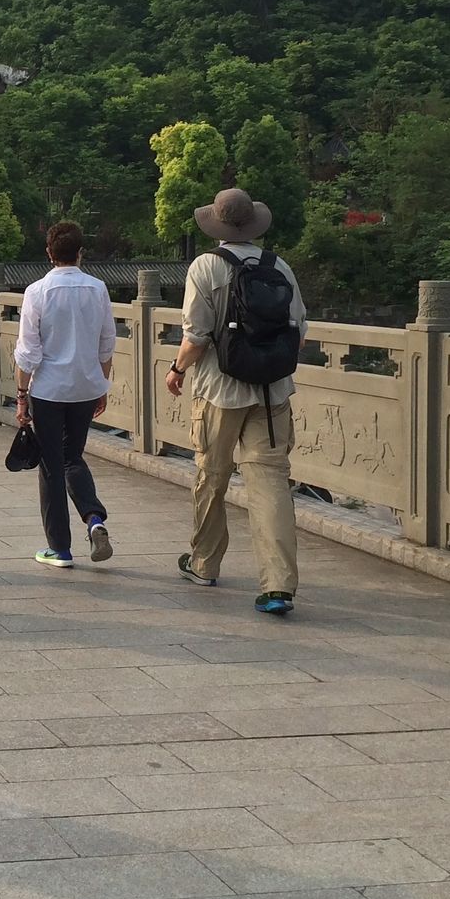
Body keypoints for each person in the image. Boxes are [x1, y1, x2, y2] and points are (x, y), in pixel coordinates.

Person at [166, 187, 309, 616]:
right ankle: (279, 585)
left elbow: (195, 336)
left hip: (219, 391)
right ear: (253, 225)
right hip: (272, 393)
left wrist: (176, 370)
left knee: (212, 477)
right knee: (270, 483)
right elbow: (298, 331)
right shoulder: (278, 265)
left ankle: (205, 563)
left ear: (218, 225)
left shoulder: (205, 267)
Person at [13, 221, 116, 569]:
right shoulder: (98, 289)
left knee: (51, 465)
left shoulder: (37, 291)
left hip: (49, 389)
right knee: (74, 457)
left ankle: (60, 547)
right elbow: (106, 344)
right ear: (80, 252)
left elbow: (28, 351)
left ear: (49, 253)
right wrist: (101, 385)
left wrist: (21, 395)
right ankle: (93, 519)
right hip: (86, 387)